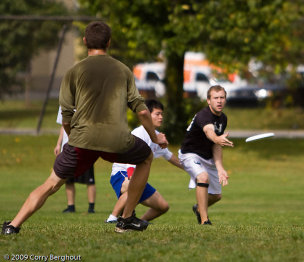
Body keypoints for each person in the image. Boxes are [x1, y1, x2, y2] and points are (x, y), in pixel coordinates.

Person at [2, 21, 168, 235]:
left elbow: (66, 115)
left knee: (52, 183)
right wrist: (155, 139)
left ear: (84, 42)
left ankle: (13, 226)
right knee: (145, 157)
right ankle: (126, 219)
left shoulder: (74, 71)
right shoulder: (122, 70)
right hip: (116, 141)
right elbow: (143, 112)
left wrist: (73, 139)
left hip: (81, 140)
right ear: (109, 42)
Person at [105, 99, 183, 223]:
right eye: (157, 114)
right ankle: (112, 218)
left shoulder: (156, 136)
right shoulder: (139, 133)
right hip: (121, 173)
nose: (161, 117)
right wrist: (131, 177)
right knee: (133, 187)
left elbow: (169, 156)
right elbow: (130, 159)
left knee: (163, 206)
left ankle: (136, 221)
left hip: (137, 177)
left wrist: (190, 169)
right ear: (147, 115)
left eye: (162, 114)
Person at [179, 85, 234, 225]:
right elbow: (210, 132)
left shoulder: (223, 118)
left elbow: (216, 146)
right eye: (216, 98)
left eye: (222, 98)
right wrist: (217, 138)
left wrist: (220, 168)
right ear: (209, 101)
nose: (219, 101)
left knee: (216, 196)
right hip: (190, 154)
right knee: (203, 177)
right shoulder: (203, 115)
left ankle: (198, 208)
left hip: (207, 157)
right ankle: (204, 220)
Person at [54, 106, 96, 213]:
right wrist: (58, 144)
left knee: (89, 179)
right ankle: (70, 206)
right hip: (68, 147)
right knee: (68, 179)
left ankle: (91, 207)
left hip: (85, 146)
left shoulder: (87, 100)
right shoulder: (64, 104)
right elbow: (63, 126)